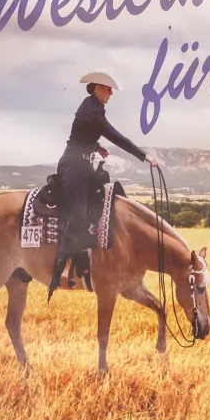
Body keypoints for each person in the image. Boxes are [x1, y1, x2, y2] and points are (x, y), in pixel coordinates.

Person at [50, 71, 147, 298]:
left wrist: (96, 146)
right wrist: (145, 157)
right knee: (77, 212)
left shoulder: (93, 109)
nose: (111, 93)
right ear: (98, 89)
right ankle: (62, 265)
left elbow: (82, 134)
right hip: (73, 167)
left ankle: (93, 257)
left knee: (104, 202)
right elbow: (117, 137)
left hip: (84, 166)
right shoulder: (91, 110)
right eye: (108, 89)